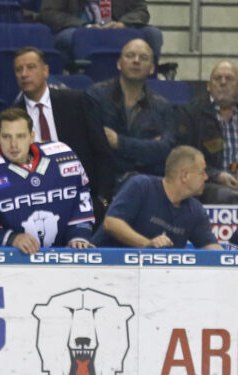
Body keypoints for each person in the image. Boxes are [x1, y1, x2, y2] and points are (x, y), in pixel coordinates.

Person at [11, 46, 115, 215]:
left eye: (31, 67)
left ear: (45, 71)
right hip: (36, 202)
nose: (24, 74)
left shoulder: (77, 102)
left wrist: (103, 200)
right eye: (18, 70)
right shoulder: (13, 117)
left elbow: (102, 152)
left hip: (83, 200)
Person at [0, 108, 95, 253]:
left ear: (32, 136)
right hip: (10, 260)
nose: (14, 144)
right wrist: (11, 238)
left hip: (63, 255)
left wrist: (78, 236)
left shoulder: (62, 155)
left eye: (21, 136)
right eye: (7, 137)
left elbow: (81, 198)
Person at [91, 145, 222, 249]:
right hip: (104, 268)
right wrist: (147, 244)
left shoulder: (195, 209)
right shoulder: (141, 186)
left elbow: (210, 246)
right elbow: (112, 223)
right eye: (202, 172)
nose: (206, 177)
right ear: (185, 175)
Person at [86, 38, 175, 184]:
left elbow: (165, 151)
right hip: (105, 181)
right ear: (119, 64)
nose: (136, 61)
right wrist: (146, 148)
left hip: (148, 182)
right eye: (130, 55)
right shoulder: (96, 96)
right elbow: (97, 146)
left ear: (152, 68)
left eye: (144, 58)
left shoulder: (162, 106)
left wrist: (119, 142)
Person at [40, 0, 162, 60]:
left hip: (117, 29)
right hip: (78, 29)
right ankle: (85, 78)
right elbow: (49, 13)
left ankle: (150, 78)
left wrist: (123, 24)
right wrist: (85, 26)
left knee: (153, 33)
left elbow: (141, 9)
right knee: (80, 37)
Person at [176, 60, 238, 204]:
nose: (223, 83)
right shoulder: (191, 113)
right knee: (228, 196)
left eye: (229, 79)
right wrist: (216, 175)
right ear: (209, 87)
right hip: (209, 183)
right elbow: (184, 157)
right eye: (217, 79)